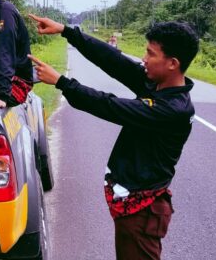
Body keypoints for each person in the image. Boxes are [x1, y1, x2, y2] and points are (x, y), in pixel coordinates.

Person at [28, 15, 199, 260]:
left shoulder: (173, 109)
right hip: (131, 204)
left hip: (142, 211)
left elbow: (110, 106)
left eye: (151, 54)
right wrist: (67, 31)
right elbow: (113, 60)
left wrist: (62, 82)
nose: (144, 59)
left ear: (172, 63)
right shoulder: (156, 85)